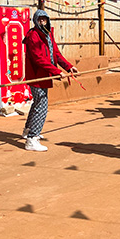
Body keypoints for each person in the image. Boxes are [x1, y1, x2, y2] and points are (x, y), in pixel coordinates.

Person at [20, 9, 78, 151]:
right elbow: (38, 58)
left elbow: (56, 53)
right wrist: (55, 71)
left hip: (45, 74)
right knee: (42, 105)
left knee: (38, 102)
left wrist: (68, 67)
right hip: (37, 75)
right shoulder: (33, 36)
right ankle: (32, 138)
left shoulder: (48, 34)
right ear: (35, 21)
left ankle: (28, 130)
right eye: (39, 20)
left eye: (44, 19)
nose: (42, 22)